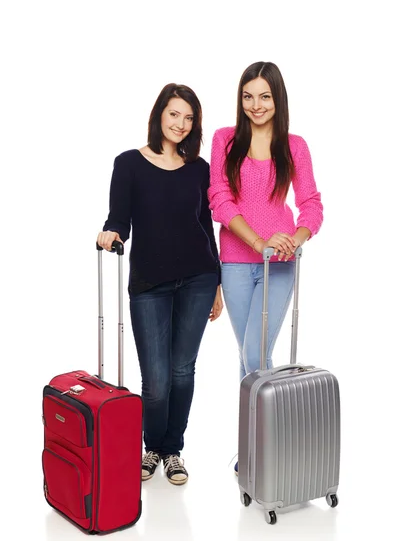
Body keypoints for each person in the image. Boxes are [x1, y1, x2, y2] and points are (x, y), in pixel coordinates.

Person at [97, 83, 223, 486]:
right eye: (174, 114)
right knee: (155, 379)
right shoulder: (129, 163)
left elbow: (206, 225)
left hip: (198, 278)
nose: (181, 124)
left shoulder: (199, 169)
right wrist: (110, 232)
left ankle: (172, 450)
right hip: (149, 282)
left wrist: (217, 282)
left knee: (182, 370)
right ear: (159, 114)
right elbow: (120, 217)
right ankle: (152, 445)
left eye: (189, 118)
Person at [208, 62, 323, 473]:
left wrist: (296, 237)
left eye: (264, 96)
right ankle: (260, 451)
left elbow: (310, 204)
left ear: (278, 99)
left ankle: (261, 453)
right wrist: (259, 242)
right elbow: (221, 201)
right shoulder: (224, 140)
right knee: (250, 357)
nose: (256, 105)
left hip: (281, 264)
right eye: (248, 96)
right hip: (237, 262)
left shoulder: (295, 145)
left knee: (254, 356)